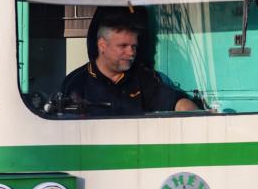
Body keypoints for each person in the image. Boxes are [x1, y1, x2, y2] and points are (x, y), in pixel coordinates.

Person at [61, 14, 198, 116]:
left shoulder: (144, 77)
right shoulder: (75, 82)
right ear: (102, 45)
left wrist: (192, 113)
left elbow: (176, 103)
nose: (131, 52)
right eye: (123, 46)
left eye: (134, 46)